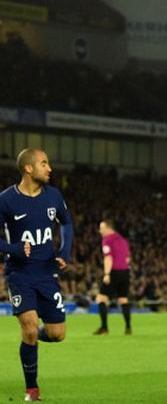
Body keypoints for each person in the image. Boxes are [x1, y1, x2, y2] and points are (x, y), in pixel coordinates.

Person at [0, 148, 73, 402]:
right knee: (29, 329)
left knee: (56, 335)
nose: (50, 168)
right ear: (28, 168)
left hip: (46, 274)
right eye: (44, 163)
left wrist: (64, 250)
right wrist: (13, 249)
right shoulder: (6, 200)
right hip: (19, 274)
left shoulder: (53, 196)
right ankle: (32, 389)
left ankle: (31, 339)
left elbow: (67, 222)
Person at [94, 218, 132, 335]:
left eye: (102, 228)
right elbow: (128, 258)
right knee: (123, 299)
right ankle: (128, 327)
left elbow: (108, 258)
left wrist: (107, 274)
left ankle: (104, 328)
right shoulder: (123, 240)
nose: (100, 231)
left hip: (113, 271)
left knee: (101, 298)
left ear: (108, 228)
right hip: (125, 272)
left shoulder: (107, 240)